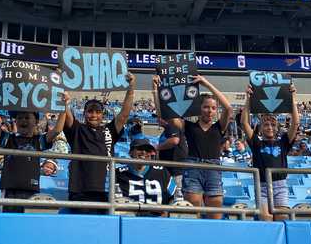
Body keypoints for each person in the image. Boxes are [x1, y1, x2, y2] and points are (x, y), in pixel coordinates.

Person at [60, 73, 136, 214]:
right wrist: (61, 90)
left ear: (102, 114)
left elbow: (124, 114)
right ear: (84, 114)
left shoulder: (109, 130)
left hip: (105, 189)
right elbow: (66, 112)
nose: (93, 115)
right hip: (80, 189)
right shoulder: (77, 130)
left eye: (97, 112)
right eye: (90, 111)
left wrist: (131, 87)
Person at [0, 99, 67, 213]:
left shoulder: (39, 141)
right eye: (19, 118)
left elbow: (57, 130)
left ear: (36, 121)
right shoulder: (9, 139)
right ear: (15, 121)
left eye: (27, 117)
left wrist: (64, 106)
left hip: (31, 190)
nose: (23, 120)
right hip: (9, 190)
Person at [176, 75, 233, 219]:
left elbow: (228, 107)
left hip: (214, 169)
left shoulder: (219, 127)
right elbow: (169, 116)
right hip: (193, 167)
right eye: (206, 107)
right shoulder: (188, 126)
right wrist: (157, 90)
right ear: (199, 108)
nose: (210, 110)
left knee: (215, 211)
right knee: (192, 211)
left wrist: (206, 83)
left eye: (213, 108)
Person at [241, 83, 300, 222]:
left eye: (273, 125)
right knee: (265, 218)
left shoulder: (284, 142)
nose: (269, 127)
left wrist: (292, 98)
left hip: (280, 185)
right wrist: (248, 97)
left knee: (282, 218)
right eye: (266, 124)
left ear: (278, 128)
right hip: (261, 186)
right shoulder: (256, 142)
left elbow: (295, 123)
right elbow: (244, 123)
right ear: (261, 128)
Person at [116, 138, 176, 217]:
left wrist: (167, 211)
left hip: (157, 218)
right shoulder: (119, 173)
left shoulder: (161, 171)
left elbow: (173, 197)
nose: (144, 152)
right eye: (140, 149)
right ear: (131, 152)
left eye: (147, 150)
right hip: (129, 218)